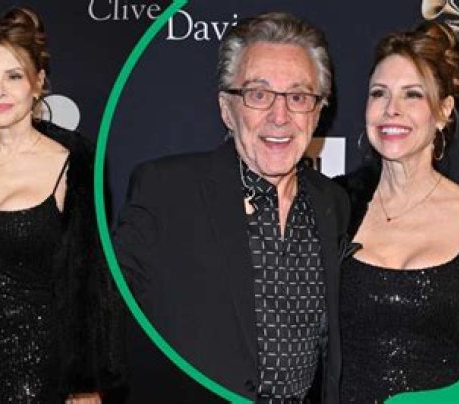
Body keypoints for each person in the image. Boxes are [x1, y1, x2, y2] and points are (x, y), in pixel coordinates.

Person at [113, 12, 350, 402]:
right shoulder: (166, 191)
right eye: (258, 94)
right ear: (227, 108)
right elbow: (104, 312)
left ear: (318, 110)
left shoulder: (333, 203)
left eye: (298, 97)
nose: (279, 116)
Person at [0, 8, 125, 403]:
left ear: (38, 83)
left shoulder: (77, 164)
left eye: (14, 76)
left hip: (41, 373)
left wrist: (87, 383)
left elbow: (92, 283)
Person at [336, 21, 459, 403]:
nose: (392, 110)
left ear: (443, 111)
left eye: (412, 95)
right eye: (379, 93)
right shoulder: (335, 205)